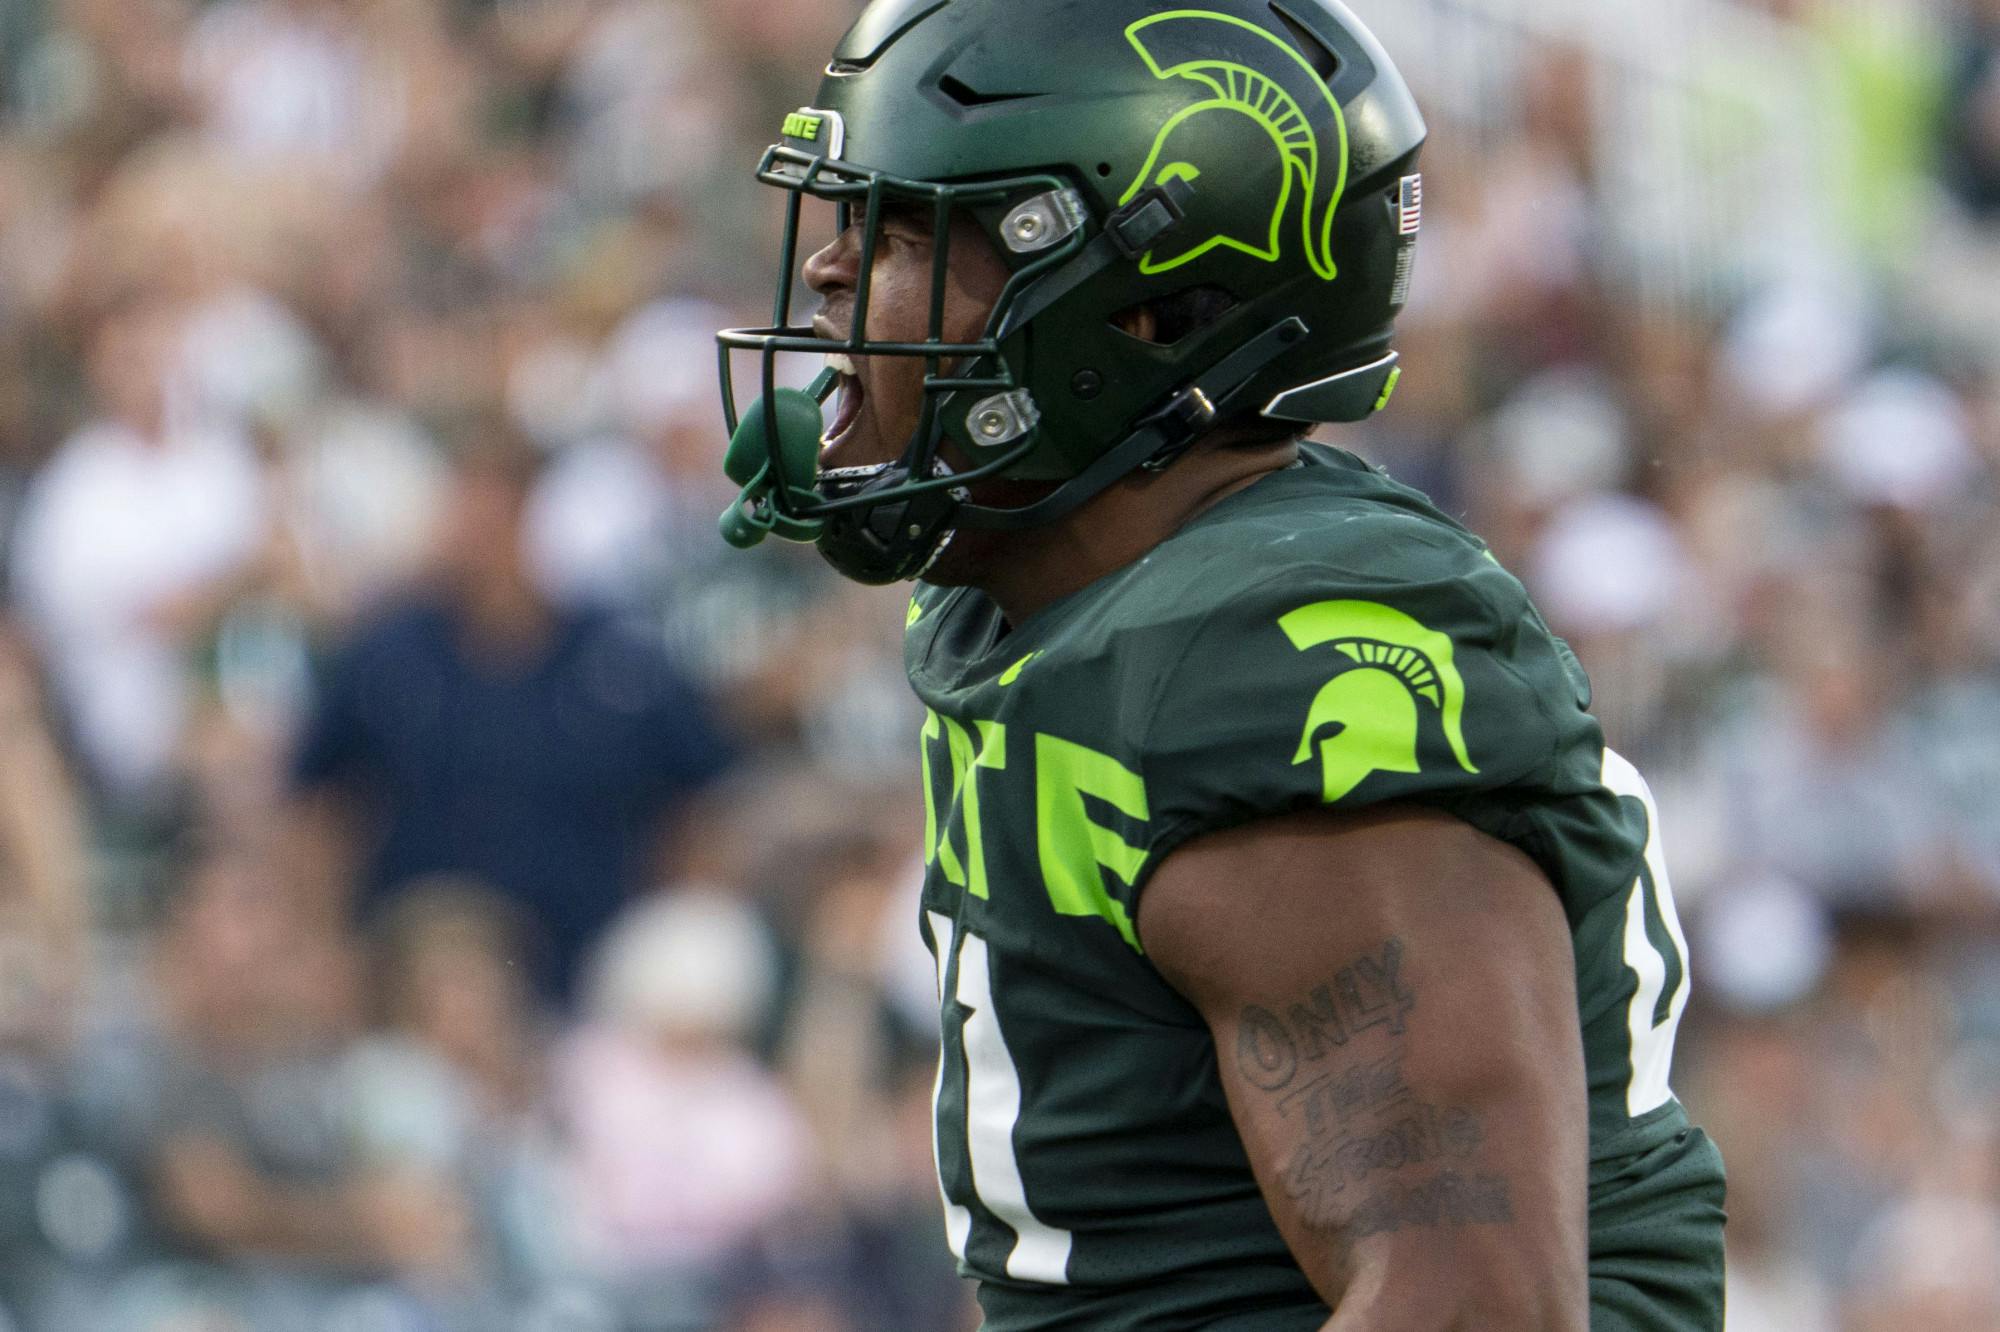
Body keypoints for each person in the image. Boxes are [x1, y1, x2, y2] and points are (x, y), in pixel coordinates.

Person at [711, 1, 1725, 1329]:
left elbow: (1468, 1303)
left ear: (1134, 312)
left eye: (907, 232)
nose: (834, 275)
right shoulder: (1053, 603)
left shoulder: (1264, 653)